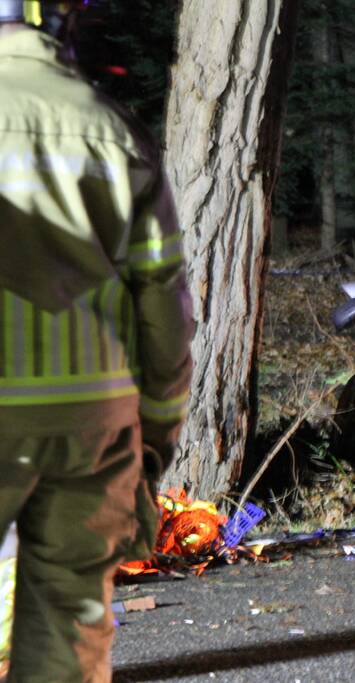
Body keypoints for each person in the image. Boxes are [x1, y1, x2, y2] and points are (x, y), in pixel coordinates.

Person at [0, 1, 194, 680]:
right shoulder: (113, 129)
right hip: (92, 424)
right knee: (68, 639)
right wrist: (155, 442)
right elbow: (164, 312)